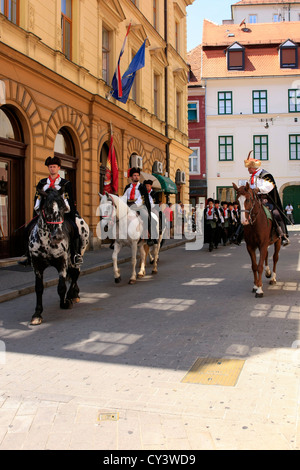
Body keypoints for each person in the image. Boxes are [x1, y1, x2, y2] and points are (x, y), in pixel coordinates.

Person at [19, 156, 83, 267]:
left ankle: (75, 255)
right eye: (50, 167)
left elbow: (69, 199)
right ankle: (29, 256)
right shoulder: (42, 183)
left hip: (62, 214)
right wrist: (37, 211)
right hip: (45, 215)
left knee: (75, 230)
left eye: (54, 167)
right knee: (27, 230)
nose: (52, 169)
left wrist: (69, 212)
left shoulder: (65, 183)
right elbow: (37, 198)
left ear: (59, 168)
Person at [245, 153, 289, 246]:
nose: (248, 170)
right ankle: (239, 235)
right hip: (255, 200)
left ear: (253, 167)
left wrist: (258, 189)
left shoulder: (265, 174)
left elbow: (269, 186)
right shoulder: (252, 177)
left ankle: (283, 235)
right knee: (245, 212)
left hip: (266, 200)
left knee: (276, 214)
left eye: (249, 168)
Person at [122, 168, 157, 245]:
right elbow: (124, 197)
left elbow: (142, 198)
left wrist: (134, 205)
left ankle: (148, 237)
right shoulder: (128, 187)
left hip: (139, 206)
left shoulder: (142, 187)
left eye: (138, 175)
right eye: (134, 175)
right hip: (128, 206)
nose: (136, 177)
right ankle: (117, 238)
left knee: (145, 215)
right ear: (131, 177)